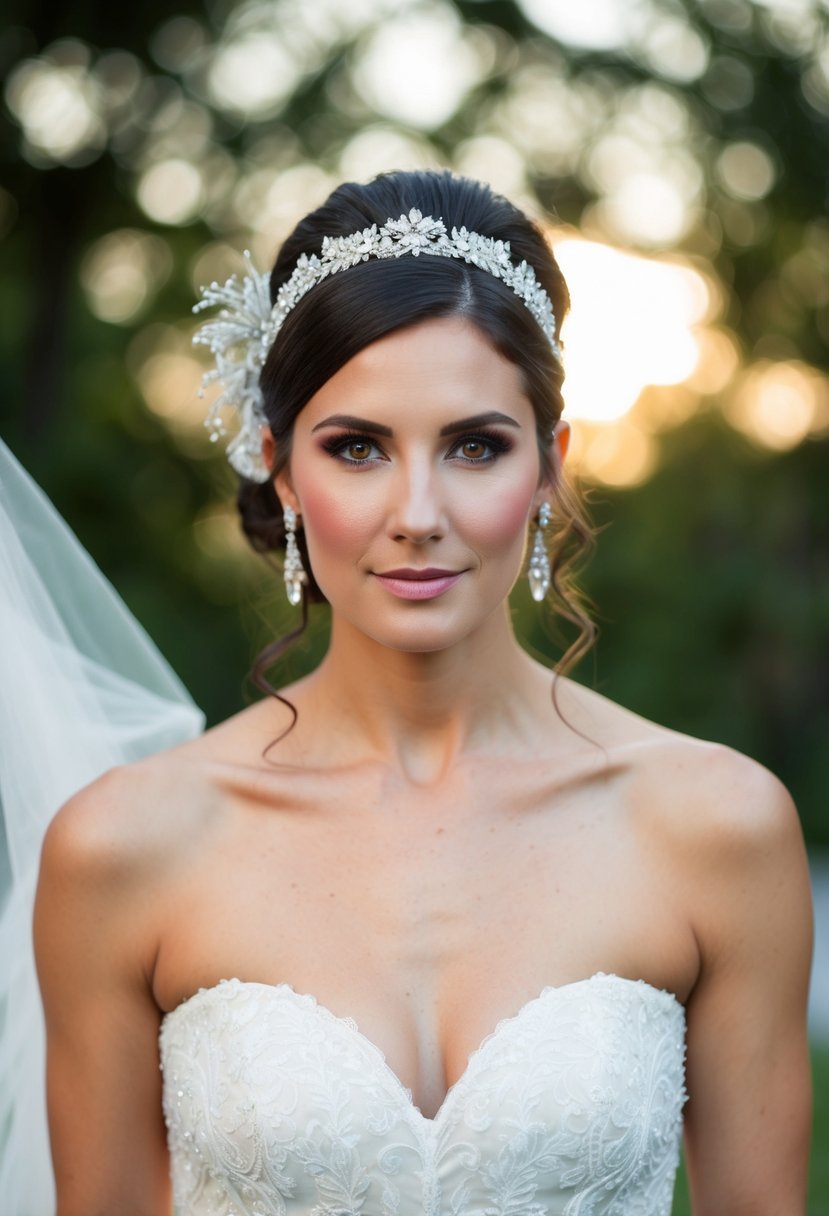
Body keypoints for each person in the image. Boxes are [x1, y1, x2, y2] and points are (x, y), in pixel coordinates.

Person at [8, 169, 813, 1215]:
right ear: (283, 472)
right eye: (357, 449)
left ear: (549, 467)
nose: (418, 511)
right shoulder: (124, 848)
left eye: (476, 445)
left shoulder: (717, 826)